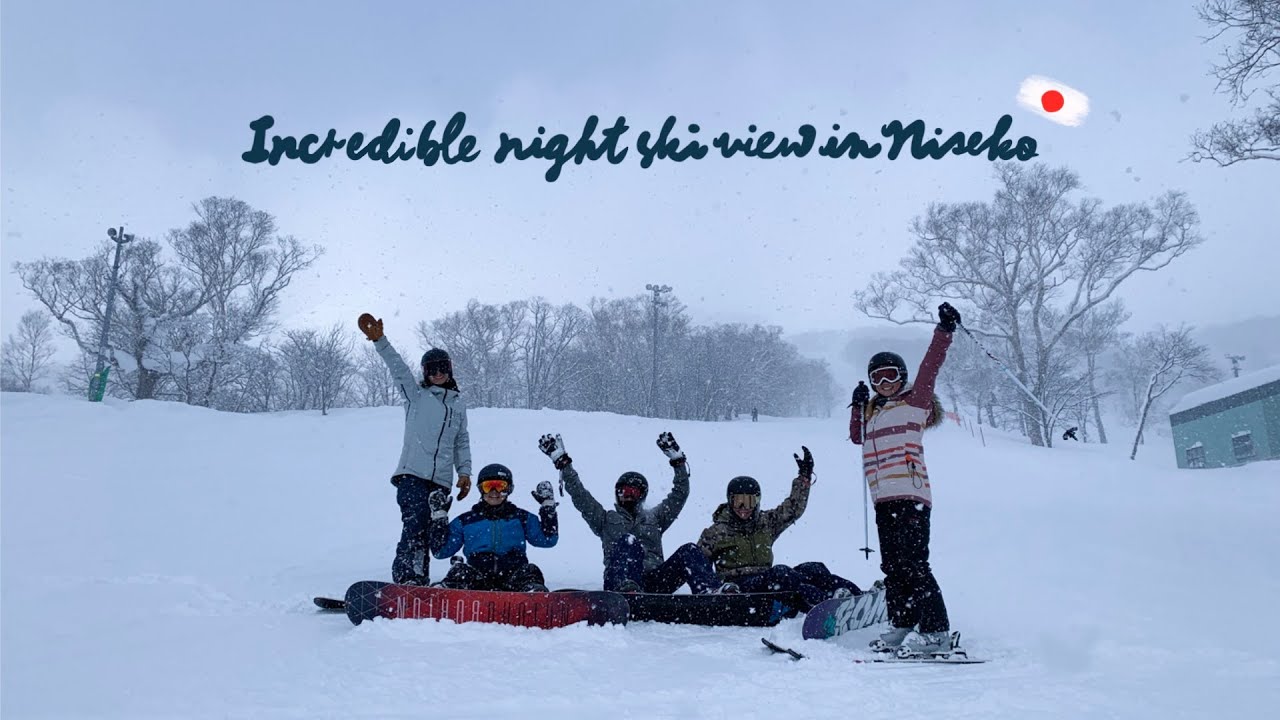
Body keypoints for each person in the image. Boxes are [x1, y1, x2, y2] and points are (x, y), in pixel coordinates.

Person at [848, 302, 958, 656]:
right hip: (883, 500)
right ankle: (902, 622)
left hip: (911, 497)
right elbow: (857, 437)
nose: (884, 384)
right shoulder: (872, 414)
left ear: (902, 377)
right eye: (877, 378)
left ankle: (937, 632)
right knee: (893, 568)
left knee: (914, 565)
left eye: (891, 376)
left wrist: (944, 331)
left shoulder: (915, 402)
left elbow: (930, 366)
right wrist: (858, 407)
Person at [538, 431, 731, 594]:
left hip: (655, 582)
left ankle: (710, 592)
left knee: (689, 550)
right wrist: (563, 464)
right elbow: (580, 495)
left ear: (642, 495)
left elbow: (679, 494)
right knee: (628, 541)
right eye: (624, 491)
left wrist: (678, 462)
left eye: (633, 492)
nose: (628, 496)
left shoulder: (655, 518)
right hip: (618, 582)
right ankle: (628, 589)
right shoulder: (605, 519)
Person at [358, 312, 472, 586]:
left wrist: (464, 473)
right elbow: (398, 369)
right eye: (431, 370)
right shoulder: (416, 396)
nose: (437, 373)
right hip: (412, 476)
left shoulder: (457, 405)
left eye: (442, 368)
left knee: (432, 530)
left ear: (449, 370)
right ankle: (408, 578)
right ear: (425, 373)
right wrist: (380, 341)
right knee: (414, 525)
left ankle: (420, 580)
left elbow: (461, 440)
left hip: (440, 482)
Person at [696, 447, 863, 612]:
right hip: (741, 589)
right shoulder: (716, 532)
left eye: (749, 502)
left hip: (769, 579)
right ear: (729, 501)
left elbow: (792, 509)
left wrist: (804, 478)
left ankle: (858, 597)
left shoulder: (764, 523)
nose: (744, 508)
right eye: (738, 501)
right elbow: (698, 567)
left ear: (757, 501)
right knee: (781, 573)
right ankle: (825, 604)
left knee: (813, 569)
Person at [427, 463, 558, 592]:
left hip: (513, 576)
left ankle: (533, 596)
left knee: (530, 570)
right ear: (481, 489)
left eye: (501, 486)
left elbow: (548, 540)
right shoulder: (466, 521)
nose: (494, 492)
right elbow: (441, 551)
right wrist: (439, 517)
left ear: (509, 489)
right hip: (478, 577)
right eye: (488, 486)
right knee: (460, 571)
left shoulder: (521, 518)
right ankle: (445, 595)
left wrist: (548, 508)